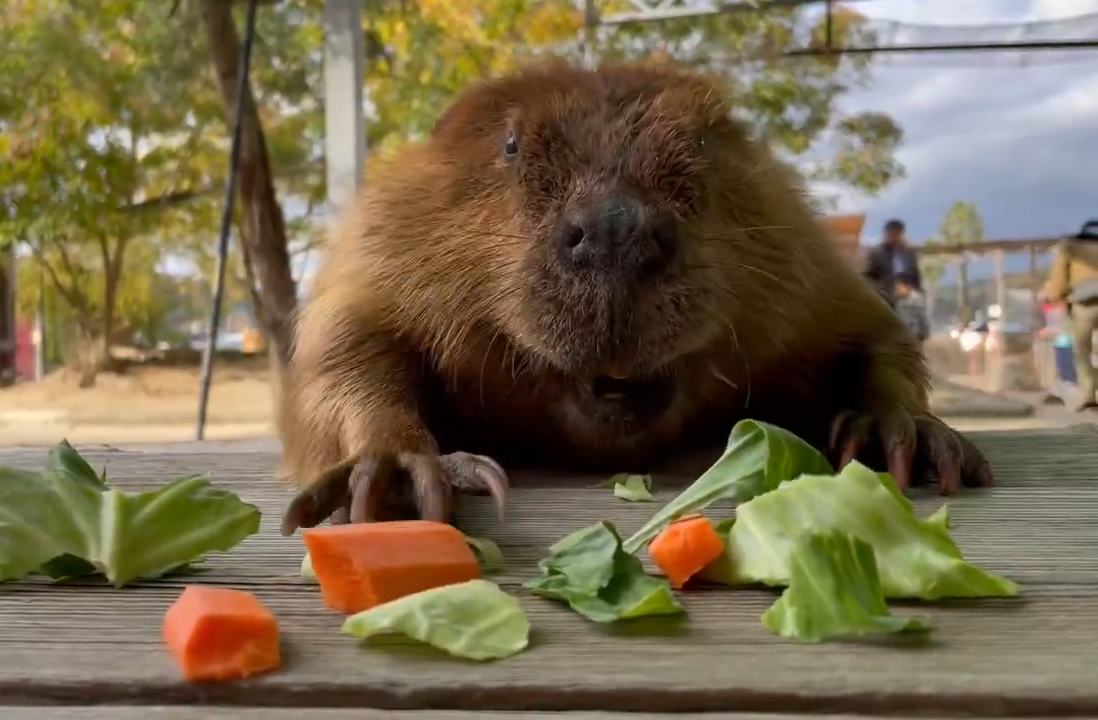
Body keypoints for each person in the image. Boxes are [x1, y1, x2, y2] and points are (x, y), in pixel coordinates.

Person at [1046, 219, 1098, 412]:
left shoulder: (1070, 247)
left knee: (1082, 350)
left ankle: (1089, 394)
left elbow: (1059, 277)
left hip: (1083, 304)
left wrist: (1055, 295)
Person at [864, 218, 922, 302]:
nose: (894, 237)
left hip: (907, 294)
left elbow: (915, 276)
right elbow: (869, 277)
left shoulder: (909, 253)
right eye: (891, 234)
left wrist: (912, 288)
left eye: (897, 234)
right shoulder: (876, 253)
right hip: (884, 293)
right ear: (886, 234)